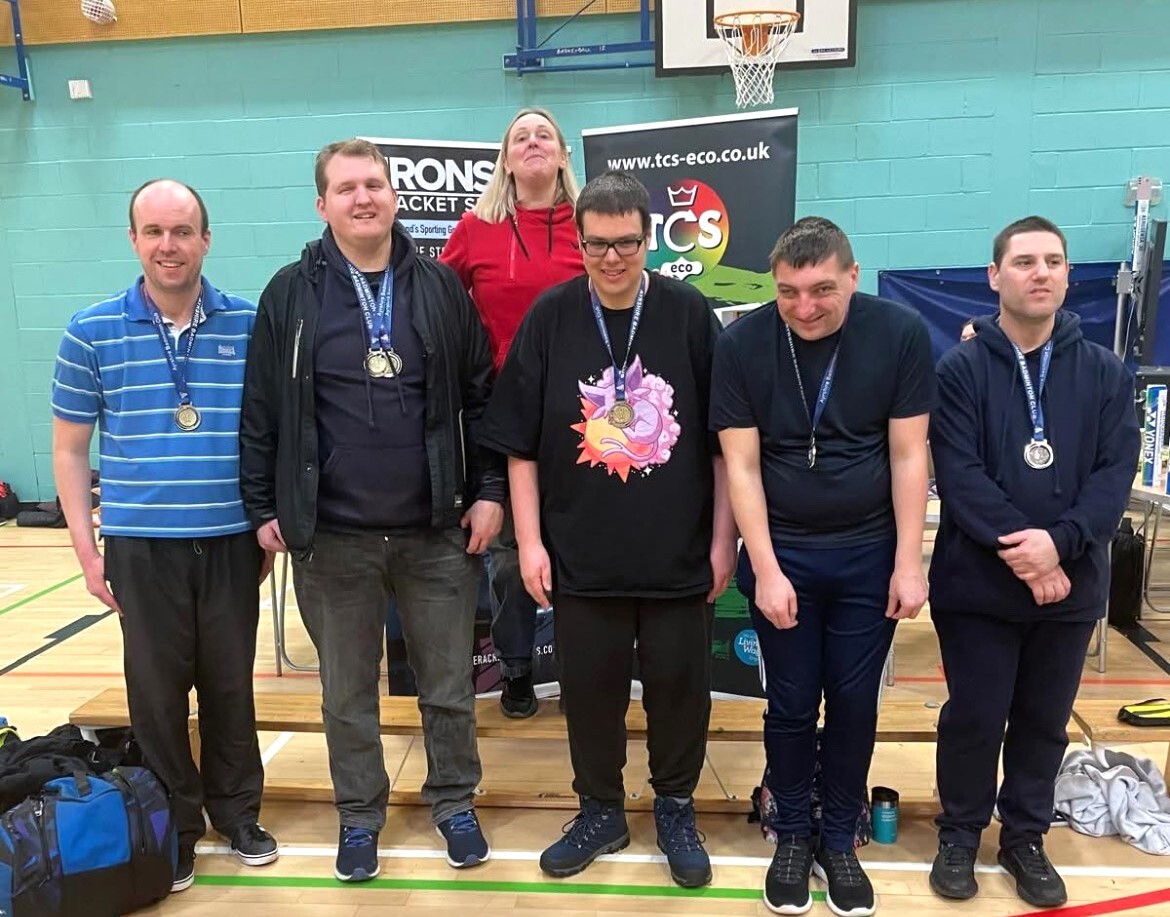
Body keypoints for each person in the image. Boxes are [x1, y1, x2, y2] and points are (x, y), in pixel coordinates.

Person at [238, 139, 505, 882]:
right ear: (322, 204)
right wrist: (263, 505)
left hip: (436, 531)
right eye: (347, 187)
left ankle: (455, 801)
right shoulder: (290, 293)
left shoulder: (441, 286)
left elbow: (482, 397)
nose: (364, 197)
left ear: (393, 196)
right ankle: (359, 815)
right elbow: (261, 407)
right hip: (333, 537)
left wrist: (488, 491)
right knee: (346, 694)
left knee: (448, 687)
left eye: (375, 184)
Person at [480, 171, 736, 888]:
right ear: (580, 242)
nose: (612, 258)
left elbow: (725, 443)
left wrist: (724, 540)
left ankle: (675, 807)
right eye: (597, 244)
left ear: (650, 239)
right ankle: (600, 810)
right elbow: (520, 446)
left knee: (680, 691)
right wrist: (531, 542)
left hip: (678, 551)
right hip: (579, 553)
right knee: (589, 694)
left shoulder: (689, 314)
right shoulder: (551, 316)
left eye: (626, 242)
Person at [51, 179, 279, 893]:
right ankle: (173, 826)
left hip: (231, 540)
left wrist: (267, 520)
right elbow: (69, 450)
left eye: (182, 230)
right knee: (155, 696)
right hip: (140, 546)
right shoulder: (90, 331)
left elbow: (271, 429)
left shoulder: (249, 323)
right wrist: (87, 551)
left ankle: (238, 813)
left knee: (230, 685)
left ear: (206, 238)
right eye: (153, 231)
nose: (168, 245)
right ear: (133, 240)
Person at [711, 216, 935, 917]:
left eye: (821, 291)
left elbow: (909, 454)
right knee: (790, 704)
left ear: (853, 276)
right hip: (784, 555)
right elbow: (742, 467)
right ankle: (791, 835)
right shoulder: (742, 343)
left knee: (855, 704)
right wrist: (766, 567)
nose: (804, 308)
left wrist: (908, 562)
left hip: (870, 557)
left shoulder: (898, 332)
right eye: (788, 293)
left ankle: (839, 838)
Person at [927, 216, 1139, 908]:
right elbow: (960, 476)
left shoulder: (1105, 373)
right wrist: (1031, 552)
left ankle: (1024, 836)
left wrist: (1061, 544)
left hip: (1070, 587)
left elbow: (1113, 476)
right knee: (974, 717)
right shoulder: (959, 371)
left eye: (1052, 260)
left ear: (1069, 275)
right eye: (1024, 261)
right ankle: (960, 833)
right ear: (995, 276)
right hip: (978, 586)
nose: (1039, 272)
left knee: (1044, 722)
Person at [441, 107, 584, 716]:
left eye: (543, 134)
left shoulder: (590, 224)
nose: (532, 142)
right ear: (505, 159)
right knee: (506, 557)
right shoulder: (477, 228)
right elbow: (438, 300)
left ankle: (581, 669)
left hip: (584, 415)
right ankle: (517, 669)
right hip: (503, 415)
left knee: (579, 545)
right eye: (519, 137)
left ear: (563, 154)